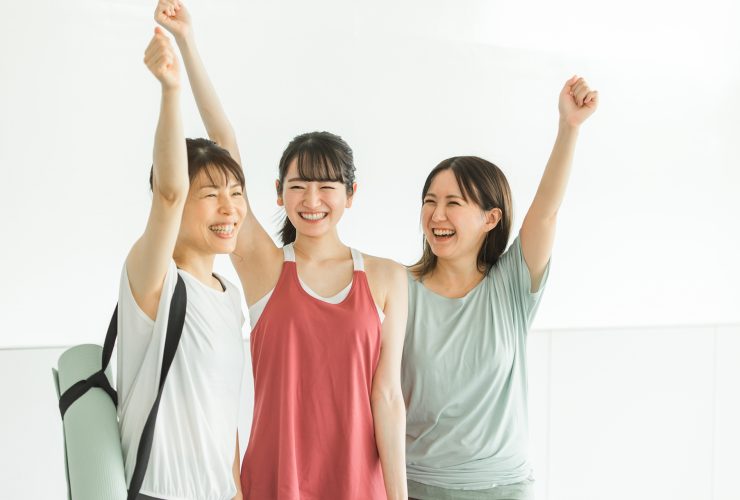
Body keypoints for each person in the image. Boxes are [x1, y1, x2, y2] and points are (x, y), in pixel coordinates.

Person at [153, 1, 408, 498]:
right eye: (298, 186)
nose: (312, 201)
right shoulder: (265, 267)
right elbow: (223, 141)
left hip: (359, 484)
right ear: (277, 193)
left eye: (327, 187)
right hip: (276, 480)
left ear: (351, 194)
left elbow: (389, 397)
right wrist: (187, 42)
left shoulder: (387, 277)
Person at [403, 76, 599, 500]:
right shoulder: (398, 289)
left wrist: (569, 127)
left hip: (504, 488)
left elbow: (545, 213)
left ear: (490, 219)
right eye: (430, 201)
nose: (437, 215)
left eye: (453, 203)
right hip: (418, 487)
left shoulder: (509, 287)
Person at [116, 25, 246, 500]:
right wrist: (170, 91)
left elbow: (224, 416)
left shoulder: (229, 295)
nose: (230, 208)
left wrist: (237, 489)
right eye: (210, 195)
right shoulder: (155, 280)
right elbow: (170, 194)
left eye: (236, 193)